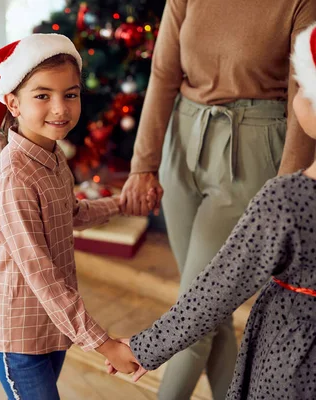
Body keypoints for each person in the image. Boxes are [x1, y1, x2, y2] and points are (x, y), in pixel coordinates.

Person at [118, 1, 316, 398]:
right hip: (182, 141)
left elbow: (306, 90)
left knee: (198, 312)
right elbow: (163, 73)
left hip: (252, 153)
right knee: (210, 305)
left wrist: (288, 190)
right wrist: (144, 163)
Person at [0, 34, 150, 400]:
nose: (60, 108)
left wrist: (122, 204)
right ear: (13, 103)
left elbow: (71, 213)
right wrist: (105, 344)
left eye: (70, 94)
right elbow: (44, 279)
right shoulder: (13, 181)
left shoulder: (52, 156)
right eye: (42, 95)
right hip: (18, 337)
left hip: (51, 328)